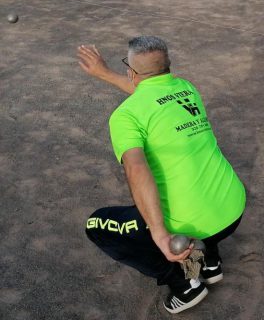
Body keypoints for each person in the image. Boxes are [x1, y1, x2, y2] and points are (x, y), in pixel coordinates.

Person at [78, 36, 246, 314]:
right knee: (197, 189)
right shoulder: (186, 89)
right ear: (167, 66)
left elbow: (136, 168)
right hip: (232, 208)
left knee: (96, 224)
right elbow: (150, 95)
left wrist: (158, 234)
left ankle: (184, 285)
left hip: (192, 222)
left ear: (131, 72)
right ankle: (210, 263)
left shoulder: (126, 117)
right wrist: (105, 74)